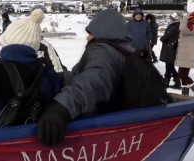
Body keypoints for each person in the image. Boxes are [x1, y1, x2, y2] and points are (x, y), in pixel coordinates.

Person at [36, 9, 133, 146]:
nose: (87, 38)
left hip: (96, 126)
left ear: (104, 31)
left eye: (92, 33)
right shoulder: (125, 50)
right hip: (116, 123)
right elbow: (89, 76)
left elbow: (93, 81)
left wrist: (61, 107)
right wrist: (64, 74)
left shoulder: (103, 49)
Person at [175, 12, 194, 97]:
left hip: (189, 54)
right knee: (183, 74)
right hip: (187, 54)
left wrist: (185, 18)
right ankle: (184, 95)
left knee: (182, 74)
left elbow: (182, 28)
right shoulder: (193, 27)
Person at [159, 12, 181, 89]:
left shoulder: (174, 26)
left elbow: (166, 37)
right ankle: (173, 81)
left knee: (169, 66)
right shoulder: (177, 25)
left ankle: (169, 82)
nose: (170, 19)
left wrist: (161, 38)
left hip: (169, 48)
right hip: (171, 48)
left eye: (171, 18)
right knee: (169, 66)